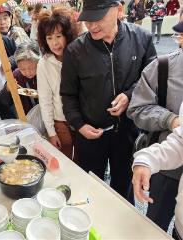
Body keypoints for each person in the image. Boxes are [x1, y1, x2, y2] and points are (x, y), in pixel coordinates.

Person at [60, 0, 156, 201]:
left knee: (123, 186)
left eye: (99, 18)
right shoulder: (75, 51)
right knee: (90, 186)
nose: (92, 25)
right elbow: (68, 94)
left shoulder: (142, 38)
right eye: (88, 19)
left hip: (128, 130)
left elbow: (151, 80)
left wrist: (130, 95)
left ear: (119, 10)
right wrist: (79, 125)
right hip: (91, 133)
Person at [128, 20, 183, 238]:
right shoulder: (162, 67)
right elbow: (137, 109)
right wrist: (169, 119)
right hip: (165, 167)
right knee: (154, 227)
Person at [37, 7, 78, 161]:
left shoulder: (78, 55)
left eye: (58, 36)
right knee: (63, 162)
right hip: (61, 124)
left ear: (67, 34)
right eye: (49, 38)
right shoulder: (44, 63)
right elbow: (45, 100)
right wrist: (51, 132)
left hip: (83, 121)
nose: (55, 43)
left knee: (84, 164)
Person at [13, 42, 40, 114]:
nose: (27, 73)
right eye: (23, 69)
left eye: (31, 68)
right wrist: (8, 89)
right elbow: (5, 101)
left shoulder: (46, 73)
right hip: (26, 116)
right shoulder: (16, 76)